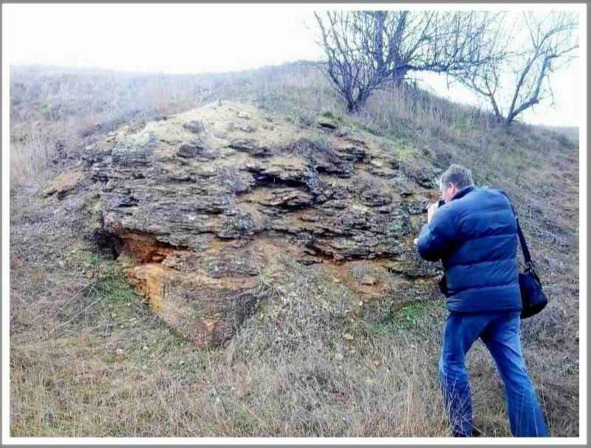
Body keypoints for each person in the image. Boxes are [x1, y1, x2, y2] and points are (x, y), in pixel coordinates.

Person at [416, 164, 549, 437]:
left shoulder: (451, 210)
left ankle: (462, 433)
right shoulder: (501, 200)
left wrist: (432, 219)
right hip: (508, 305)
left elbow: (426, 248)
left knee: (451, 363)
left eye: (442, 192)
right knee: (516, 375)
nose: (442, 197)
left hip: (470, 307)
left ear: (451, 187)